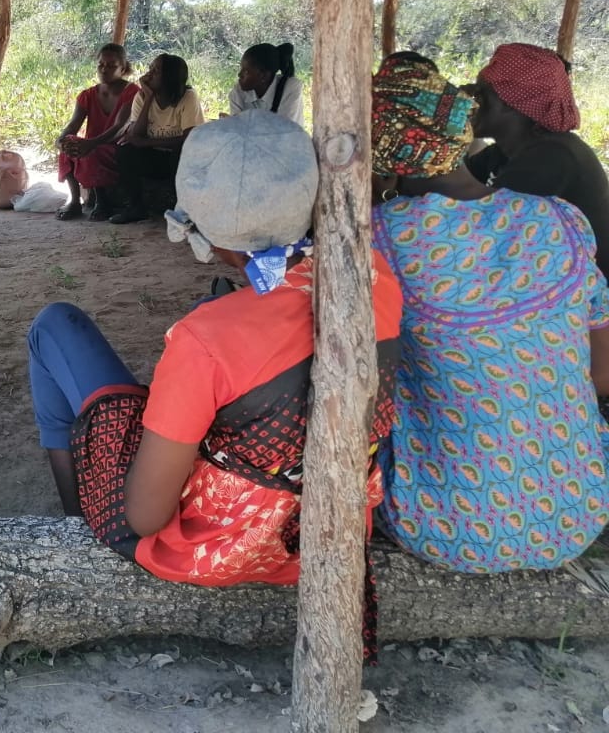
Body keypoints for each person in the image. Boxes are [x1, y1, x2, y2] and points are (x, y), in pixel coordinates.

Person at [27, 112, 401, 641]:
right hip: (327, 532)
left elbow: (146, 516)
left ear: (205, 229)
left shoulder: (205, 338)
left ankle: (75, 526)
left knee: (55, 326)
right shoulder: (379, 281)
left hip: (221, 549)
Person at [369, 53, 609, 574]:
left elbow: (367, 397)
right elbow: (601, 374)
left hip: (445, 526)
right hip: (581, 510)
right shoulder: (560, 219)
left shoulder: (381, 238)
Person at [465, 42, 609, 277]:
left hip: (590, 298)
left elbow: (481, 225)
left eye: (480, 94)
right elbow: (450, 190)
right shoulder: (506, 151)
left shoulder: (554, 156)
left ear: (513, 103)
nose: (471, 102)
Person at [107, 54, 204, 224]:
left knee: (181, 152)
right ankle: (136, 208)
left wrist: (146, 142)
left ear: (170, 77)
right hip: (155, 158)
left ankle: (186, 211)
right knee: (125, 150)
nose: (148, 74)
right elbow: (135, 135)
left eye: (155, 70)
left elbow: (189, 139)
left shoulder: (188, 97)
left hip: (182, 160)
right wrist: (148, 97)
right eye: (150, 68)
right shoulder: (142, 97)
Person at [53, 43, 140, 220]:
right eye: (101, 64)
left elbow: (119, 128)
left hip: (118, 147)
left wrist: (90, 143)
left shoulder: (132, 92)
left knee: (92, 151)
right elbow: (73, 125)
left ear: (123, 68)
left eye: (111, 66)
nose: (104, 70)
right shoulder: (88, 95)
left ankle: (102, 202)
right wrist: (61, 141)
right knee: (69, 144)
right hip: (92, 145)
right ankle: (75, 201)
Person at [227, 42, 304, 127]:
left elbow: (283, 131)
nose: (239, 74)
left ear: (263, 75)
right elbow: (237, 129)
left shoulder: (291, 88)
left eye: (246, 71)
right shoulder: (239, 91)